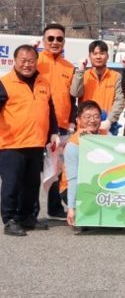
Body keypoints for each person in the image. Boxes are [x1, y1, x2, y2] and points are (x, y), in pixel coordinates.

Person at [0, 45, 59, 236]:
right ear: (15, 61)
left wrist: (54, 132)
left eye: (31, 61)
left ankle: (27, 217)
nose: (27, 64)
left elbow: (50, 111)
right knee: (12, 184)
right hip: (11, 144)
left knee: (32, 185)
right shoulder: (5, 83)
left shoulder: (43, 82)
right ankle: (10, 219)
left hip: (36, 143)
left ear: (36, 62)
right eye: (23, 61)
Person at [37, 23, 75, 220]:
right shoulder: (34, 62)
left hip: (61, 125)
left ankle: (54, 208)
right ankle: (30, 212)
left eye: (59, 39)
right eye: (50, 38)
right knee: (33, 169)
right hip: (37, 124)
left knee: (56, 169)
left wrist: (72, 121)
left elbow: (72, 98)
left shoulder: (69, 67)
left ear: (64, 42)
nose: (54, 42)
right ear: (43, 40)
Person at [62, 100, 106, 226]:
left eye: (96, 116)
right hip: (72, 186)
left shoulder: (106, 137)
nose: (92, 120)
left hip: (97, 184)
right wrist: (71, 209)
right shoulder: (73, 145)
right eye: (88, 117)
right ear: (78, 120)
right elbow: (73, 179)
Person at [70, 40, 125, 134]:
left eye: (102, 53)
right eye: (95, 53)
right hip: (85, 126)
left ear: (107, 56)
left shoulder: (116, 76)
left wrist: (109, 121)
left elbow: (119, 101)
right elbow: (75, 93)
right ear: (89, 56)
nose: (98, 57)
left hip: (107, 126)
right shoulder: (83, 75)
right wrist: (80, 71)